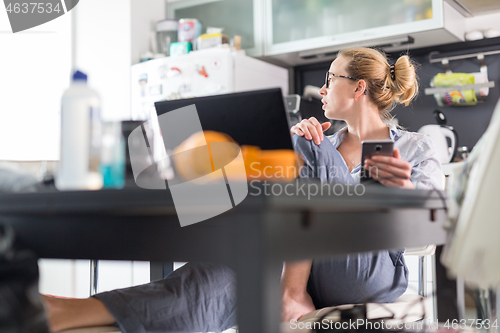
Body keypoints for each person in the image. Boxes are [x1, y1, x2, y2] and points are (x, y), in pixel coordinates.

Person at [43, 47, 443, 332]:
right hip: (297, 255)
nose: (322, 89)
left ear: (358, 88)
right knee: (215, 279)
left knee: (300, 148)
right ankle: (67, 310)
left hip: (366, 274)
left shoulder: (413, 146)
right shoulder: (324, 142)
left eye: (330, 79)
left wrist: (404, 187)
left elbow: (433, 224)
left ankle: (290, 290)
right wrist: (288, 162)